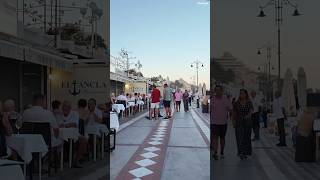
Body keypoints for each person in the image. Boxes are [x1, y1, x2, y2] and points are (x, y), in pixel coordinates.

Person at [61, 101, 88, 168]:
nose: (65, 108)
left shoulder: (74, 113)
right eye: (64, 106)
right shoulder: (59, 113)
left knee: (84, 140)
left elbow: (75, 124)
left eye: (66, 107)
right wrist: (67, 125)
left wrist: (65, 124)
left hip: (74, 133)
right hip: (60, 134)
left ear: (70, 108)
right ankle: (59, 159)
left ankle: (77, 160)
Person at [211, 85, 233, 160]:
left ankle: (222, 151)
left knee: (222, 138)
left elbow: (230, 109)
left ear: (222, 91)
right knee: (215, 138)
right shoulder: (212, 99)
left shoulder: (226, 99)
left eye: (219, 90)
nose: (217, 92)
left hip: (223, 122)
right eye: (216, 90)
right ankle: (215, 152)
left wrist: (232, 118)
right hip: (214, 122)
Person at [232, 89, 253, 160]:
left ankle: (245, 152)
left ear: (246, 94)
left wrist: (248, 116)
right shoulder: (236, 103)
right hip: (239, 122)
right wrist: (233, 121)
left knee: (246, 138)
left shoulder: (249, 103)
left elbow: (251, 111)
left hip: (247, 122)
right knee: (239, 137)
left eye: (243, 93)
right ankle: (241, 152)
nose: (242, 95)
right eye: (240, 93)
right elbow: (234, 113)